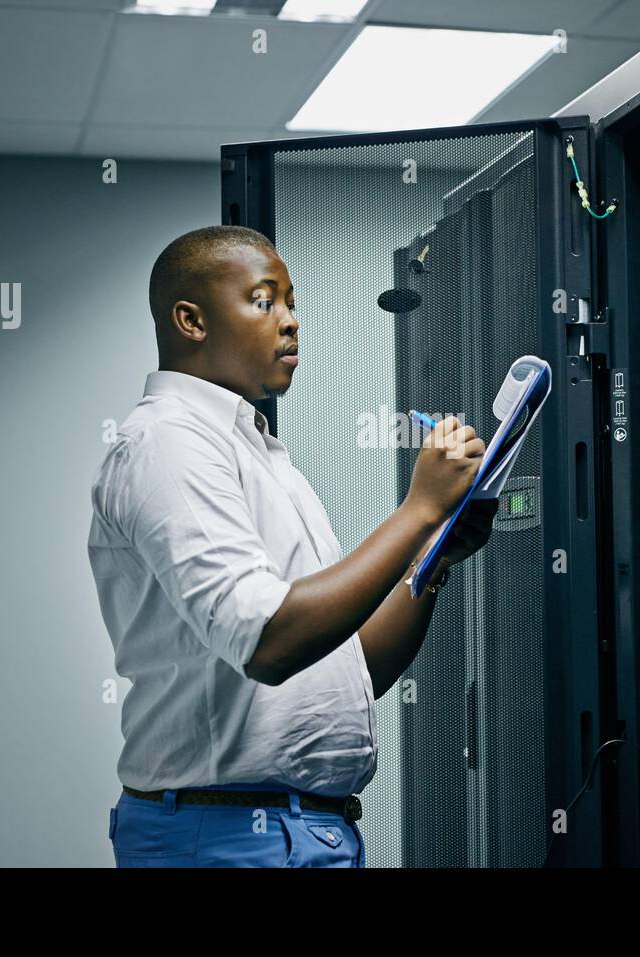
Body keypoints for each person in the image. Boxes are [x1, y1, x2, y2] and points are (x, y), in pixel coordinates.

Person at [88, 225, 499, 867]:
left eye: (293, 305)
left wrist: (432, 554)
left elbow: (348, 670)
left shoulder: (254, 452)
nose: (290, 323)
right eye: (264, 300)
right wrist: (420, 510)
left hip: (298, 834)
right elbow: (270, 644)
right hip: (223, 842)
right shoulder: (167, 445)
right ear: (191, 320)